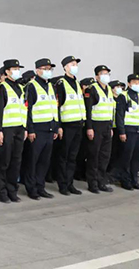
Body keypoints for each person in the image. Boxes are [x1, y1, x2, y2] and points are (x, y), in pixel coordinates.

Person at [22, 58, 58, 200]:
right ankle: (31, 189)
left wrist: (55, 127)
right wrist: (30, 130)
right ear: (37, 70)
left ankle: (40, 187)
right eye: (45, 69)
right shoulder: (31, 86)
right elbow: (28, 110)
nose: (48, 71)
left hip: (49, 129)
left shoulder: (51, 86)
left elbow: (54, 108)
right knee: (33, 161)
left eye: (50, 69)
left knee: (44, 161)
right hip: (37, 130)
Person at [0, 59, 27, 203]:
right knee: (4, 162)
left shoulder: (21, 88)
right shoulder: (2, 87)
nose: (17, 71)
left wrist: (25, 128)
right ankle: (1, 192)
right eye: (14, 69)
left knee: (16, 161)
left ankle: (12, 190)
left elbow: (24, 109)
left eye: (18, 69)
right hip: (6, 129)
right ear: (7, 71)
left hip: (19, 128)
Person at [54, 56, 85, 196]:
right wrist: (59, 125)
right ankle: (62, 185)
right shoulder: (61, 83)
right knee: (64, 156)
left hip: (78, 124)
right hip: (67, 126)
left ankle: (70, 183)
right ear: (65, 67)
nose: (75, 67)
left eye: (76, 64)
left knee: (73, 157)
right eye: (72, 64)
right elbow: (57, 105)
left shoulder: (77, 83)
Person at [113, 74, 139, 190]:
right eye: (134, 82)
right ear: (129, 83)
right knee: (126, 157)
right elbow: (119, 115)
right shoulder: (124, 96)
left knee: (137, 158)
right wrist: (122, 132)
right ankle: (125, 180)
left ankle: (134, 180)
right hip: (129, 130)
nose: (137, 84)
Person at [84, 65, 114, 193]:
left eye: (107, 73)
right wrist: (89, 128)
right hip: (96, 126)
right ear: (97, 76)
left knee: (104, 156)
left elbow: (110, 109)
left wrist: (111, 126)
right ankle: (93, 183)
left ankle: (101, 181)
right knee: (94, 156)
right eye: (103, 73)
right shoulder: (92, 89)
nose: (105, 76)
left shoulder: (109, 89)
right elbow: (88, 110)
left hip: (107, 126)